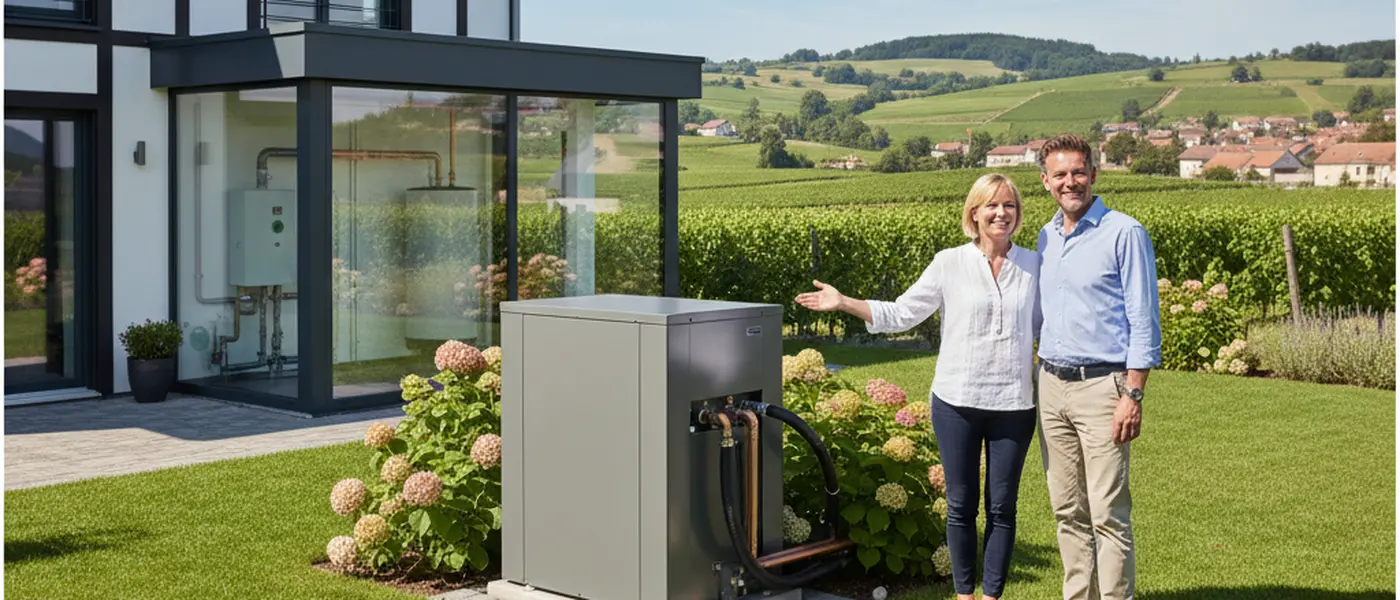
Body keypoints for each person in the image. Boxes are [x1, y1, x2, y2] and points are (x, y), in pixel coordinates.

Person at [794, 173, 1041, 600]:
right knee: (961, 508)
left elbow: (1054, 326)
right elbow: (903, 312)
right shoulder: (950, 263)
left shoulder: (1036, 265)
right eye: (992, 205)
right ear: (974, 213)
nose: (1002, 213)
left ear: (1018, 214)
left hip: (1015, 403)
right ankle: (965, 594)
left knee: (1002, 508)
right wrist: (844, 302)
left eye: (1010, 206)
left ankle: (992, 596)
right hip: (956, 402)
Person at [1033, 133, 1161, 600]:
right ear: (1045, 181)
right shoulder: (1047, 236)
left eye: (1078, 172)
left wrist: (1134, 394)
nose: (1071, 182)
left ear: (1094, 174)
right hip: (1050, 385)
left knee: (1107, 513)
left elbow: (1143, 319)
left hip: (1103, 388)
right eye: (1060, 174)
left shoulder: (1124, 232)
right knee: (1067, 510)